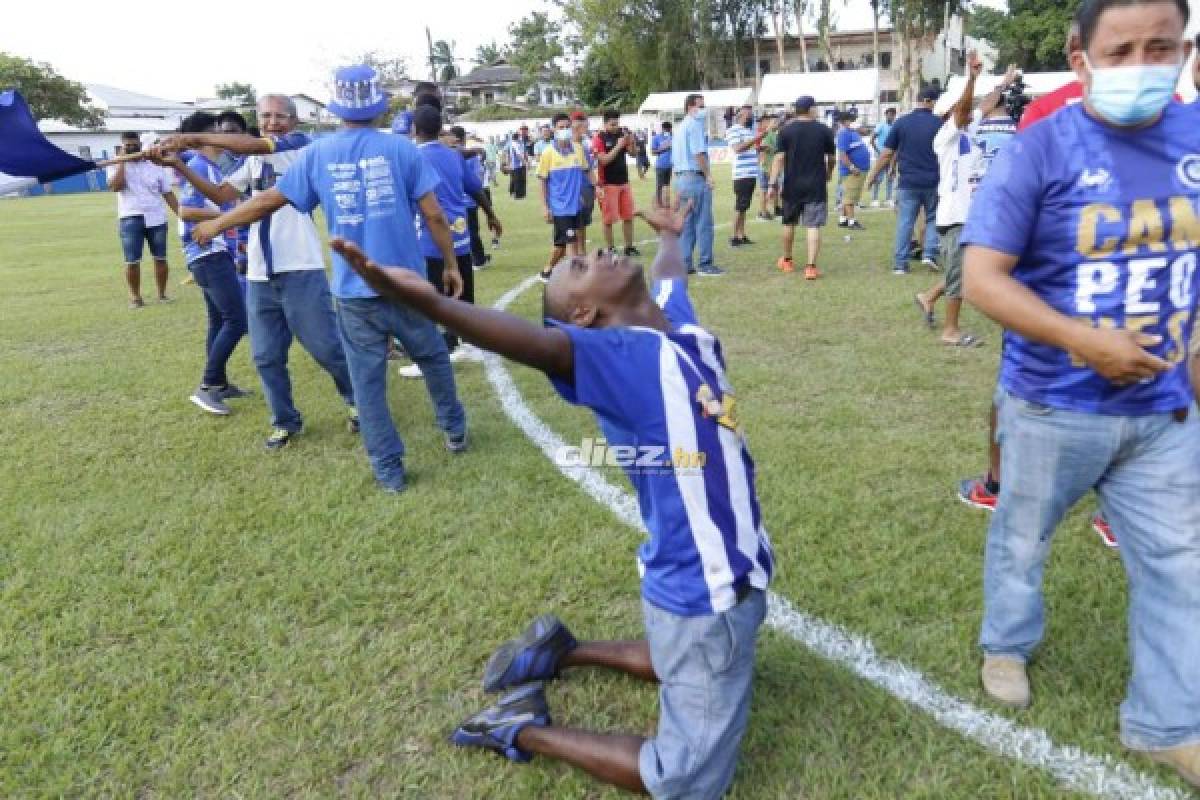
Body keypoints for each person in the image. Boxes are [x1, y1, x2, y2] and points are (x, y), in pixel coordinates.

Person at [330, 201, 773, 800]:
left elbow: (671, 278)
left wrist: (670, 236)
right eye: (581, 265)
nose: (589, 252)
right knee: (686, 778)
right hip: (705, 582)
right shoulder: (618, 360)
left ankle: (561, 650)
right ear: (585, 314)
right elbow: (531, 343)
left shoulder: (675, 327)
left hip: (730, 564)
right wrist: (424, 301)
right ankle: (523, 728)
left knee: (692, 656)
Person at [961, 0, 1200, 787]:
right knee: (1023, 539)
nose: (1143, 63)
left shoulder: (1196, 141)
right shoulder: (1038, 150)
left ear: (1184, 48)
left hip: (1164, 412)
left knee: (1180, 565)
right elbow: (983, 278)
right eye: (1121, 48)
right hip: (1051, 403)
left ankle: (1166, 723)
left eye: (1160, 46)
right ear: (1080, 56)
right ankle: (1007, 644)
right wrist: (1082, 341)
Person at [187, 64, 469, 492]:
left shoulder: (318, 154)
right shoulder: (404, 150)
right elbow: (433, 214)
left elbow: (267, 201)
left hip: (354, 292)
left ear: (337, 109)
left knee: (368, 380)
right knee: (431, 356)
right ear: (378, 107)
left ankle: (388, 469)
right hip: (407, 285)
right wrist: (449, 263)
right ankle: (454, 431)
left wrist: (215, 226)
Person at [149, 95, 357, 449]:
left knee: (326, 348)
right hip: (260, 272)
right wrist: (180, 165)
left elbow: (251, 147)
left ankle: (356, 402)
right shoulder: (252, 164)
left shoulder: (301, 149)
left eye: (279, 116)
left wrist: (193, 139)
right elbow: (220, 193)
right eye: (265, 116)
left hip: (300, 267)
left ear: (293, 121)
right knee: (265, 355)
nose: (273, 121)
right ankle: (285, 422)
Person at [915, 55, 1018, 348]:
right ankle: (950, 330)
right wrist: (971, 80)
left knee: (968, 269)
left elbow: (983, 105)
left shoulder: (968, 130)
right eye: (963, 108)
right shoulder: (944, 136)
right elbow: (964, 111)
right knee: (961, 273)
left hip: (971, 214)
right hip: (955, 215)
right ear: (950, 113)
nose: (971, 112)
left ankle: (929, 297)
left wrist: (1002, 85)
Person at [396, 106, 496, 378]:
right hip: (460, 234)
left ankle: (435, 352)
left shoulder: (411, 158)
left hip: (431, 238)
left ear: (414, 130)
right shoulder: (454, 156)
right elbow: (476, 189)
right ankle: (468, 341)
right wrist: (491, 216)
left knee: (431, 298)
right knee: (462, 292)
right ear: (440, 129)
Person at [168, 111, 250, 415]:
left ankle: (220, 383)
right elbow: (187, 212)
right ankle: (206, 387)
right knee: (237, 320)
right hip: (207, 254)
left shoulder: (210, 168)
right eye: (221, 131)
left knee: (219, 321)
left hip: (215, 253)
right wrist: (234, 214)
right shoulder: (199, 166)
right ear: (211, 133)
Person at [865, 86, 943, 275]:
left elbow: (886, 154)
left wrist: (872, 176)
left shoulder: (901, 123)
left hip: (908, 182)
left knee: (905, 222)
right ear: (929, 101)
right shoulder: (940, 123)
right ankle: (929, 254)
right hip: (934, 180)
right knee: (933, 218)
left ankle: (900, 264)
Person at [767, 96, 835, 280]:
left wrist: (772, 184)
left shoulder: (786, 131)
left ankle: (787, 260)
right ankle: (811, 267)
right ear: (811, 109)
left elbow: (779, 158)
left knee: (789, 222)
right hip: (815, 184)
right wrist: (828, 173)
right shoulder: (824, 130)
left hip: (792, 185)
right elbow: (831, 158)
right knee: (813, 226)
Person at [108, 131, 178, 308]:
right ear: (122, 146)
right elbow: (116, 186)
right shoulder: (114, 163)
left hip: (156, 218)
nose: (132, 147)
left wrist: (181, 214)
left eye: (135, 144)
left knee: (161, 258)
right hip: (131, 217)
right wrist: (122, 161)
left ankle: (162, 294)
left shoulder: (155, 165)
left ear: (140, 144)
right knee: (132, 261)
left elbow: (167, 193)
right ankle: (135, 298)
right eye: (127, 145)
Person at [672, 94, 723, 276]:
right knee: (704, 222)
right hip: (694, 177)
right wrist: (708, 175)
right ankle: (705, 263)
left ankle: (685, 263)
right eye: (701, 105)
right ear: (692, 106)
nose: (704, 110)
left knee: (687, 223)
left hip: (681, 178)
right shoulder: (694, 125)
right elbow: (699, 153)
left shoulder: (680, 127)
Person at [536, 113, 588, 282]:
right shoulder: (548, 153)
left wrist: (597, 188)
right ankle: (576, 279)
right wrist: (545, 206)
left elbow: (585, 172)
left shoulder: (578, 149)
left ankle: (547, 270)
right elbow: (542, 181)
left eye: (567, 127)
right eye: (561, 127)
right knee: (571, 241)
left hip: (577, 205)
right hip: (560, 207)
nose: (565, 130)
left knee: (561, 244)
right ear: (554, 129)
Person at [593, 111, 640, 257]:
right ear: (605, 124)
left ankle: (629, 246)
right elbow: (604, 160)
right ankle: (610, 247)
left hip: (624, 181)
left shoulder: (621, 134)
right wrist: (619, 146)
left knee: (628, 216)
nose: (616, 126)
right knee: (608, 219)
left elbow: (633, 154)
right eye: (612, 124)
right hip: (608, 183)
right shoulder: (599, 138)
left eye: (617, 123)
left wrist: (631, 142)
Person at [725, 105, 760, 247]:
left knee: (744, 207)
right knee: (740, 206)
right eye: (749, 115)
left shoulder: (748, 131)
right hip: (742, 174)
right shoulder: (733, 130)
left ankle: (741, 235)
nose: (751, 117)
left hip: (750, 173)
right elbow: (738, 148)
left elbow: (747, 147)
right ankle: (734, 237)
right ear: (741, 116)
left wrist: (758, 148)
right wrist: (759, 138)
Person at [835, 109, 870, 230]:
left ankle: (843, 219)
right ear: (845, 121)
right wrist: (852, 167)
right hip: (852, 171)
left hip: (860, 169)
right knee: (850, 197)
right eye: (851, 119)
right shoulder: (843, 133)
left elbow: (866, 132)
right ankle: (852, 221)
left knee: (850, 196)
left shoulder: (852, 132)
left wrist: (858, 129)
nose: (853, 121)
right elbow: (842, 154)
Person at [570, 111, 598, 253]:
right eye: (584, 123)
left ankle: (582, 254)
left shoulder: (584, 145)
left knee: (582, 224)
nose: (587, 126)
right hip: (576, 189)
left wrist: (595, 186)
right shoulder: (568, 146)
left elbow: (589, 168)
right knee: (573, 225)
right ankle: (576, 258)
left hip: (587, 187)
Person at [756, 113, 782, 220]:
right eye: (774, 121)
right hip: (767, 168)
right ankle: (763, 212)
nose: (777, 123)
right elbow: (762, 147)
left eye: (777, 121)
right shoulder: (767, 134)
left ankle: (776, 208)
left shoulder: (775, 134)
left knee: (775, 189)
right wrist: (772, 150)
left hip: (773, 168)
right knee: (764, 190)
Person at [869, 108, 897, 207]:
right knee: (878, 177)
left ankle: (889, 198)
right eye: (889, 114)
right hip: (881, 155)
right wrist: (878, 151)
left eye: (893, 115)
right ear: (885, 115)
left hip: (892, 155)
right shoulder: (881, 125)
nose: (891, 116)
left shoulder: (895, 126)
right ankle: (874, 199)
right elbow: (872, 139)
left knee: (890, 176)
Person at [651, 121, 673, 208]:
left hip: (670, 165)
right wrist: (664, 148)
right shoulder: (656, 138)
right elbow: (653, 151)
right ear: (663, 129)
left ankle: (667, 203)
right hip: (660, 166)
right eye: (666, 129)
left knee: (667, 185)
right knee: (659, 185)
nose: (668, 131)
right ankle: (658, 203)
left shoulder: (672, 137)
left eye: (669, 129)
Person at [507, 132, 528, 200]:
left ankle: (514, 193)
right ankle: (518, 195)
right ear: (518, 137)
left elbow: (523, 153)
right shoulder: (514, 144)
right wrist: (524, 162)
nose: (521, 137)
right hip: (517, 165)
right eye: (520, 136)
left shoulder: (517, 144)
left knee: (515, 180)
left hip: (516, 165)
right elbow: (518, 154)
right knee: (518, 180)